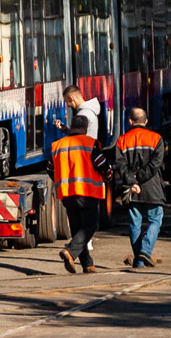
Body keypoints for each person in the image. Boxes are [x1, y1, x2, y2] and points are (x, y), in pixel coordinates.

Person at [50, 114, 107, 274]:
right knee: (91, 225)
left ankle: (87, 264)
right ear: (86, 128)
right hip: (87, 192)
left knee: (77, 228)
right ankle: (70, 251)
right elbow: (102, 165)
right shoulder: (90, 144)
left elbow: (50, 168)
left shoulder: (58, 145)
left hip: (67, 194)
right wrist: (107, 177)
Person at [115, 107, 165, 269]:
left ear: (130, 121)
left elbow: (120, 165)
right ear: (146, 121)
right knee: (155, 219)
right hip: (152, 188)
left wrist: (132, 181)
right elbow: (156, 164)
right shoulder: (156, 139)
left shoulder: (122, 140)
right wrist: (140, 178)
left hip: (132, 189)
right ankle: (145, 250)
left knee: (134, 224)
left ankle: (139, 260)